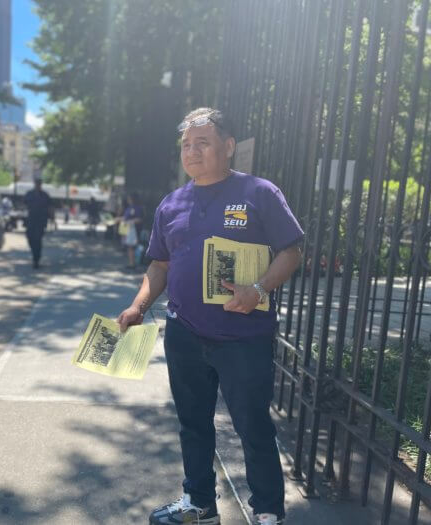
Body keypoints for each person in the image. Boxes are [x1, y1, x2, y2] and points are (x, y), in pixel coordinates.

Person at [117, 108, 303, 525]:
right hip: (184, 333)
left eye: (203, 142)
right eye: (186, 144)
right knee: (192, 424)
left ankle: (268, 513)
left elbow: (291, 251)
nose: (192, 151)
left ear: (228, 147)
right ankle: (200, 504)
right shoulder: (172, 203)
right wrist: (138, 305)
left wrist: (258, 290)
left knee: (253, 428)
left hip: (244, 337)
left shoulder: (259, 193)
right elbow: (159, 266)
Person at [24, 176, 52, 269]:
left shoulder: (45, 195)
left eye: (39, 184)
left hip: (41, 221)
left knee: (38, 240)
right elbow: (24, 204)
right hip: (31, 219)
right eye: (37, 183)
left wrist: (51, 218)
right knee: (30, 238)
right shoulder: (29, 194)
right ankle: (34, 254)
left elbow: (50, 207)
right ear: (35, 184)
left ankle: (36, 259)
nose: (38, 185)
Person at [122, 193, 143, 269]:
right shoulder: (130, 207)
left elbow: (139, 219)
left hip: (133, 230)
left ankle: (133, 263)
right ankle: (131, 262)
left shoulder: (137, 208)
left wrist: (129, 221)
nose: (128, 200)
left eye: (129, 198)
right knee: (129, 246)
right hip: (128, 229)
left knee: (131, 246)